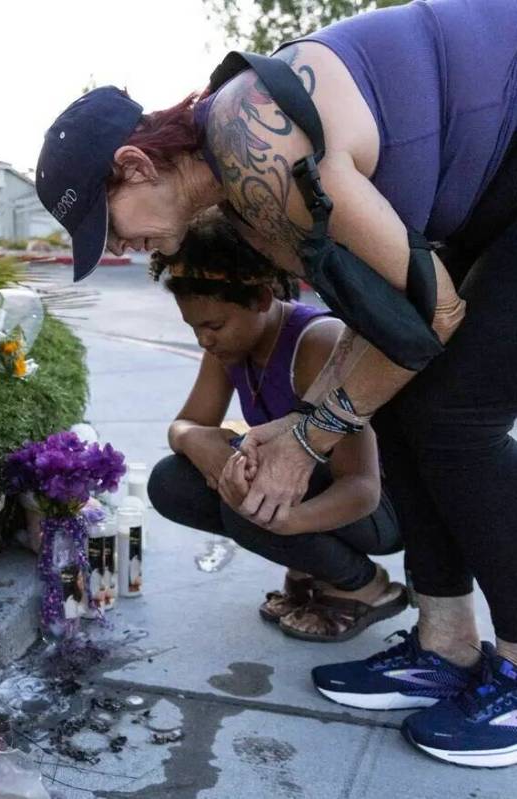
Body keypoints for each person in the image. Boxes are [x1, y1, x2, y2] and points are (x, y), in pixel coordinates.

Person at [34, 0, 517, 767]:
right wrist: (295, 425)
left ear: (134, 165)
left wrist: (305, 437)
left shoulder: (249, 140)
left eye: (113, 225)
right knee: (410, 402)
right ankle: (447, 643)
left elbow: (432, 317)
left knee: (459, 410)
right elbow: (379, 319)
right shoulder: (241, 195)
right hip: (492, 186)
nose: (123, 247)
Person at [147, 214, 404, 642]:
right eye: (193, 328)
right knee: (171, 482)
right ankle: (310, 569)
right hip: (314, 491)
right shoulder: (229, 346)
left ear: (262, 298)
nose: (203, 341)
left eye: (213, 326)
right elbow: (185, 424)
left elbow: (362, 486)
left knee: (252, 501)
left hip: (385, 509)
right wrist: (197, 441)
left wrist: (290, 525)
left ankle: (365, 586)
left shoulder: (317, 344)